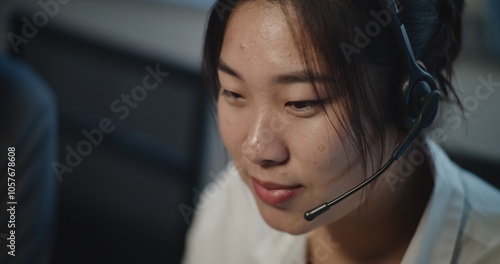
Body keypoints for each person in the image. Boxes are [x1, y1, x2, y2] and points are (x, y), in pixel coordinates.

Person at [183, 0, 500, 263]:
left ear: (412, 102)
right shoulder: (229, 207)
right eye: (234, 93)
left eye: (301, 102)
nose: (255, 149)